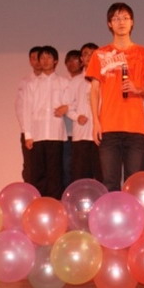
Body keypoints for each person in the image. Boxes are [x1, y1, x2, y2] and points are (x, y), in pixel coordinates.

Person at [86, 3, 144, 191]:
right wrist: (96, 121)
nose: (121, 22)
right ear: (109, 24)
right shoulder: (100, 54)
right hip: (109, 127)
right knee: (110, 181)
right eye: (116, 18)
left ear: (132, 22)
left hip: (135, 128)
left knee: (133, 183)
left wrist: (138, 89)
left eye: (125, 18)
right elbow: (94, 90)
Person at [20, 46, 70, 198]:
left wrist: (67, 107)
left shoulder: (64, 82)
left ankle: (54, 203)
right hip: (37, 133)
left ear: (56, 61)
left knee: (55, 172)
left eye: (49, 57)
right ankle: (39, 203)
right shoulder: (32, 84)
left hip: (56, 133)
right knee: (38, 172)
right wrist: (28, 135)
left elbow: (72, 102)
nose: (45, 61)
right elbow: (26, 109)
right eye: (42, 58)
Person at [65, 43, 102, 182]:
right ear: (81, 58)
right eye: (86, 54)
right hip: (81, 135)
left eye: (93, 54)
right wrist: (76, 116)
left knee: (101, 174)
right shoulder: (75, 82)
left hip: (101, 135)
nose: (89, 57)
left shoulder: (106, 79)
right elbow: (68, 106)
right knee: (80, 176)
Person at [14, 46, 42, 182]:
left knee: (46, 167)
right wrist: (26, 132)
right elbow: (20, 108)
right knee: (30, 167)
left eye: (39, 58)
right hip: (29, 132)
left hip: (47, 133)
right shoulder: (25, 82)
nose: (37, 61)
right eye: (33, 58)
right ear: (30, 61)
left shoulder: (54, 81)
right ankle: (31, 192)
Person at [61, 49, 83, 187]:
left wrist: (68, 108)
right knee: (67, 168)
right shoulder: (63, 82)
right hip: (66, 133)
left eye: (75, 60)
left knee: (80, 168)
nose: (71, 63)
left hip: (82, 133)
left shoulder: (87, 81)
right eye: (68, 61)